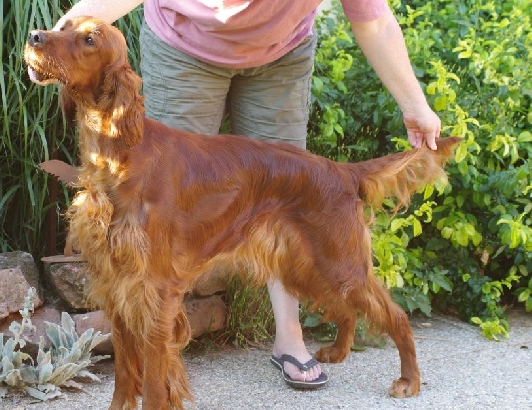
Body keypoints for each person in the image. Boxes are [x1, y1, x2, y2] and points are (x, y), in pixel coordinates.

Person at [53, 0, 442, 389]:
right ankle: (154, 371)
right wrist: (57, 45)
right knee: (155, 250)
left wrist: (415, 106)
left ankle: (311, 340)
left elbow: (374, 21)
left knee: (333, 266)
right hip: (185, 44)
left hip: (281, 53)